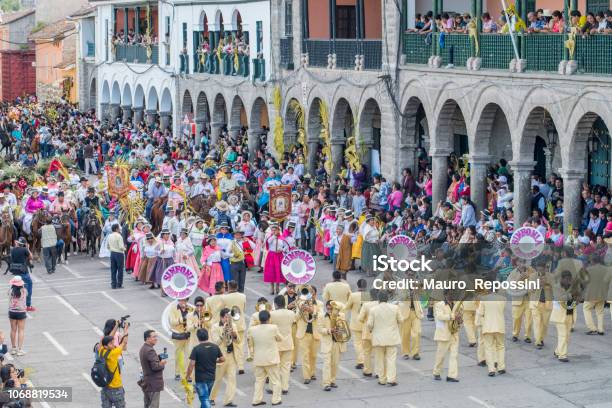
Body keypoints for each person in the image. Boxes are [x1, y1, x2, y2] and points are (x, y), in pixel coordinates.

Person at [247, 310, 283, 406]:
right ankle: (276, 400)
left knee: (259, 381)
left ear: (259, 319)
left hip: (258, 359)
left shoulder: (252, 329)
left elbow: (250, 344)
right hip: (271, 359)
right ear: (268, 318)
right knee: (275, 380)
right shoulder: (273, 327)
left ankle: (256, 400)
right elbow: (280, 338)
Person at [366, 291, 402, 386]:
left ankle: (382, 379)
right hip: (392, 337)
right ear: (387, 299)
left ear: (378, 299)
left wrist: (371, 330)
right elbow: (401, 320)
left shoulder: (373, 310)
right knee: (391, 359)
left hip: (378, 338)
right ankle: (391, 379)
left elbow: (369, 324)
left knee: (379, 359)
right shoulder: (395, 308)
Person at [186, 329, 224, 408]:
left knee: (204, 399)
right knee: (205, 398)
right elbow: (223, 359)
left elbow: (191, 364)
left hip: (200, 379)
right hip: (211, 377)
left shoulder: (196, 349)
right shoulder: (215, 347)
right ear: (208, 335)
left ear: (197, 337)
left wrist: (188, 376)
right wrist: (215, 361)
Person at [209, 308, 238, 407]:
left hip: (231, 355)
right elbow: (216, 342)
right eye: (226, 317)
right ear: (221, 317)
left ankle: (228, 400)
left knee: (232, 378)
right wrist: (223, 333)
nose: (228, 319)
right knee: (218, 379)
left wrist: (233, 334)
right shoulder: (215, 327)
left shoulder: (233, 325)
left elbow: (238, 341)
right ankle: (211, 398)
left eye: (229, 317)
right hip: (221, 356)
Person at [270, 295, 296, 394]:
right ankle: (285, 387)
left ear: (276, 304)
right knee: (286, 367)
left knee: (275, 367)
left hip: (276, 343)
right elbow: (294, 321)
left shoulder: (272, 314)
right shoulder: (291, 313)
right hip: (288, 343)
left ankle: (273, 387)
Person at [478, 285, 506, 377]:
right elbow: (502, 311)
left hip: (487, 326)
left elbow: (481, 313)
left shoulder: (484, 299)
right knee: (500, 347)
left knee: (488, 348)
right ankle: (501, 367)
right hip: (499, 326)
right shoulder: (503, 299)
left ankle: (491, 369)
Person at [433, 291, 460, 382]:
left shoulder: (456, 304)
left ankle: (451, 376)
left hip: (454, 333)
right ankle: (437, 372)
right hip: (443, 334)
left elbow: (459, 316)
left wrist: (460, 319)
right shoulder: (439, 304)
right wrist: (453, 316)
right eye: (450, 294)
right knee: (441, 356)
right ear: (445, 295)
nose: (452, 295)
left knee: (454, 355)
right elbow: (440, 316)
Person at [221, 280, 247, 374]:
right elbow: (244, 309)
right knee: (240, 345)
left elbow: (223, 311)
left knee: (228, 345)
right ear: (236, 287)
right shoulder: (243, 296)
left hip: (230, 324)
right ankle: (241, 366)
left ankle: (231, 366)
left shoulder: (225, 298)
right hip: (240, 323)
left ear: (229, 286)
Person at [98, 331, 129, 408]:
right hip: (116, 387)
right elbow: (124, 342)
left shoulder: (101, 351)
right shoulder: (113, 353)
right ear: (106, 345)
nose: (113, 344)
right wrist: (126, 329)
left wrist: (116, 326)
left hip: (105, 387)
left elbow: (105, 340)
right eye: (111, 343)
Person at [139, 330, 167, 408]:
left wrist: (157, 358)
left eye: (156, 336)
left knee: (147, 405)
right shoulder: (150, 350)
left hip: (147, 383)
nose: (156, 338)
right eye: (154, 337)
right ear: (147, 338)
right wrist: (162, 363)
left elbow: (149, 362)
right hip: (153, 384)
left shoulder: (143, 348)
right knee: (153, 405)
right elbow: (155, 367)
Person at [169, 298, 193, 381]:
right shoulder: (173, 309)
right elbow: (172, 322)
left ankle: (188, 374)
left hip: (188, 335)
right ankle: (177, 373)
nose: (182, 302)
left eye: (184, 300)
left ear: (187, 300)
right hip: (178, 335)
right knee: (178, 355)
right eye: (180, 300)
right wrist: (183, 319)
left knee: (189, 355)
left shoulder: (190, 309)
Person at [9, 238, 35, 312]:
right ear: (23, 244)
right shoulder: (24, 250)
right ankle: (28, 305)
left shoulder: (13, 250)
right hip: (23, 272)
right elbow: (31, 257)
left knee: (16, 289)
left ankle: (15, 304)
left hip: (15, 272)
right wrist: (27, 248)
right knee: (28, 288)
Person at [399, 285, 423, 360]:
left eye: (412, 274)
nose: (411, 276)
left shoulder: (416, 284)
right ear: (406, 274)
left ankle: (415, 353)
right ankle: (405, 352)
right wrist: (410, 293)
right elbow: (401, 297)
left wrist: (420, 288)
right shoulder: (401, 285)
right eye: (409, 274)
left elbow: (423, 293)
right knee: (405, 334)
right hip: (405, 313)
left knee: (417, 332)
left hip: (416, 312)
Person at [7, 276, 27, 356]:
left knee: (13, 330)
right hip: (21, 312)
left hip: (12, 312)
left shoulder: (10, 291)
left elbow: (8, 295)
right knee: (21, 330)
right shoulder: (24, 290)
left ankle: (13, 348)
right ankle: (20, 350)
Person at [107, 224, 126, 289]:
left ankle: (113, 284)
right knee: (120, 269)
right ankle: (119, 284)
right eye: (118, 228)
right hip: (119, 253)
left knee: (113, 269)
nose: (119, 229)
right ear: (116, 229)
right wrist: (125, 248)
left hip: (112, 253)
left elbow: (107, 246)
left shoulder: (109, 236)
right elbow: (121, 247)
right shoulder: (119, 236)